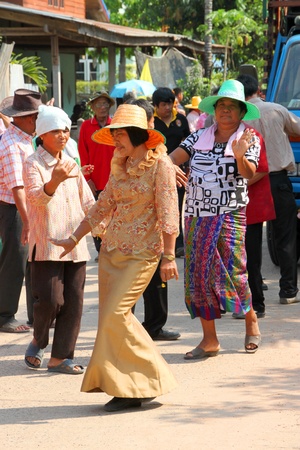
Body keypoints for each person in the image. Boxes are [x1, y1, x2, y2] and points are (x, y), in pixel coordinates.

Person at [51, 104, 179, 412]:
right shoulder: (119, 163)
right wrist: (73, 238)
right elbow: (103, 204)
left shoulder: (160, 164)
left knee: (116, 316)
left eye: (121, 135)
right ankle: (126, 387)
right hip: (111, 252)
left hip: (143, 254)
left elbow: (168, 210)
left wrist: (170, 256)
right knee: (110, 322)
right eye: (115, 135)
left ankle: (150, 377)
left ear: (137, 135)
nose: (116, 141)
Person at [170, 79, 262, 358]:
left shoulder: (249, 138)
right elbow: (170, 158)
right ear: (214, 110)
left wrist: (239, 156)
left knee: (234, 271)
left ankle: (251, 321)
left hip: (230, 214)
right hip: (197, 214)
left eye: (231, 107)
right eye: (221, 105)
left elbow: (248, 174)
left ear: (241, 112)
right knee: (198, 275)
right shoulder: (198, 136)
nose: (225, 111)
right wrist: (169, 167)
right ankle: (209, 340)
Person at [23, 104, 95, 373]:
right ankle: (39, 339)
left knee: (74, 303)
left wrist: (104, 225)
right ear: (42, 135)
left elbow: (87, 201)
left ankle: (60, 357)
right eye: (56, 131)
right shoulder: (32, 163)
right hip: (46, 244)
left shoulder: (71, 163)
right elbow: (35, 199)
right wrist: (53, 181)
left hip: (75, 245)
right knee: (51, 301)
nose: (63, 135)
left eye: (66, 130)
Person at [237, 74, 300, 304]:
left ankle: (256, 294)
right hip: (278, 180)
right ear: (258, 90)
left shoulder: (238, 118)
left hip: (250, 182)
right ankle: (288, 291)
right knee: (285, 235)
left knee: (251, 239)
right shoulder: (278, 110)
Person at [127, 97, 181, 340]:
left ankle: (154, 326)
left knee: (157, 277)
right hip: (129, 226)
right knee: (127, 283)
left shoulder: (159, 152)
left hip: (154, 224)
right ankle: (126, 327)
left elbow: (168, 207)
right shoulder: (124, 148)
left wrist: (168, 166)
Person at [0, 89, 42, 333]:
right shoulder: (12, 143)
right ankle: (4, 315)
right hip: (16, 210)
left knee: (32, 262)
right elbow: (17, 188)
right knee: (15, 262)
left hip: (25, 208)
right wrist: (27, 222)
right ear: (28, 118)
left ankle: (36, 314)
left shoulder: (24, 137)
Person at [152, 87, 190, 258]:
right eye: (164, 105)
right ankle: (159, 243)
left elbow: (189, 144)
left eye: (170, 104)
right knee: (159, 208)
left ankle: (179, 243)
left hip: (179, 171)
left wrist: (188, 167)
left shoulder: (181, 119)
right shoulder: (151, 121)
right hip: (155, 171)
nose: (168, 108)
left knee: (177, 207)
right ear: (155, 106)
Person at [78, 91, 115, 259]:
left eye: (105, 104)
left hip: (114, 179)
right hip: (95, 180)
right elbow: (82, 153)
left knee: (115, 215)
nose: (102, 107)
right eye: (98, 104)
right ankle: (101, 251)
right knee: (96, 216)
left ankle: (113, 248)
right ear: (92, 107)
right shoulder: (86, 126)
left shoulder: (115, 124)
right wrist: (87, 180)